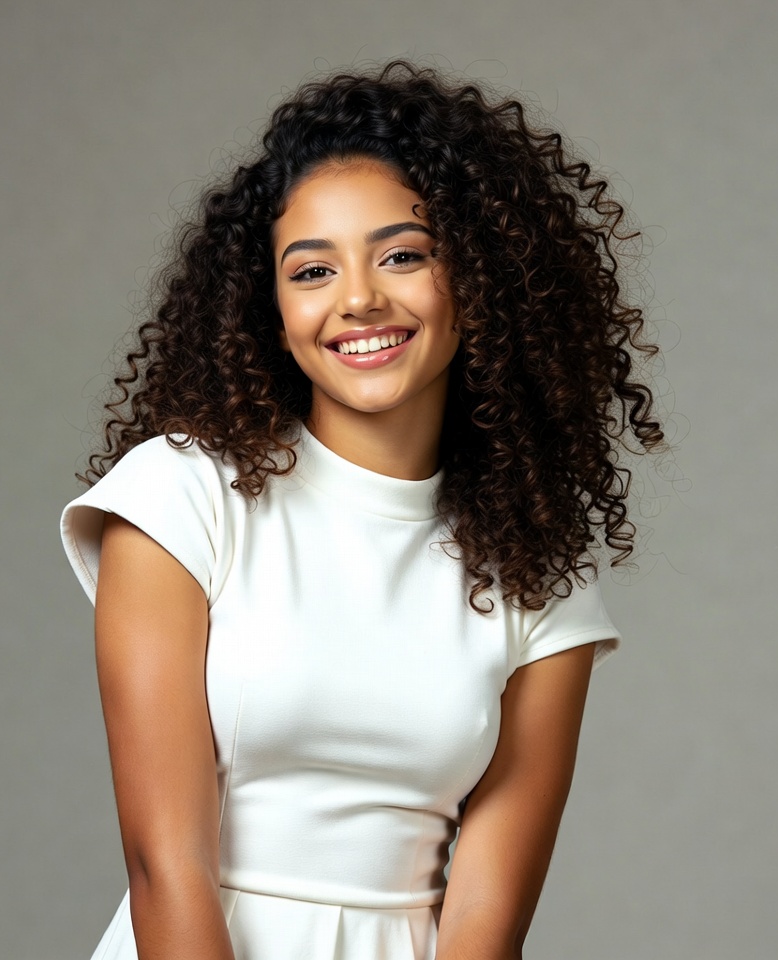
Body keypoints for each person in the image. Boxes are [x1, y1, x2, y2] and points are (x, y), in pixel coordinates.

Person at [60, 59, 664, 960]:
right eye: (312, 270)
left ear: (480, 278)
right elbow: (164, 866)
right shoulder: (179, 494)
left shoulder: (537, 563)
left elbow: (486, 921)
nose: (358, 300)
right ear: (272, 310)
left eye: (403, 255)